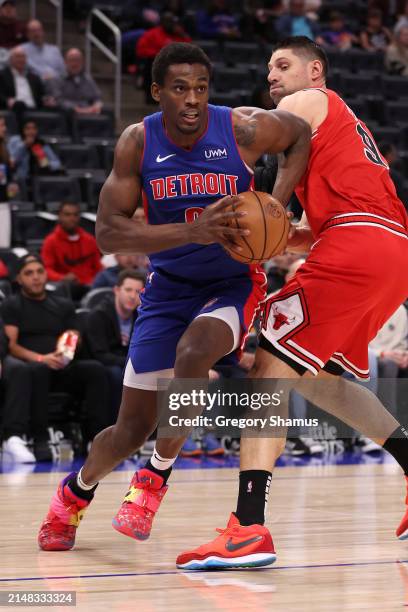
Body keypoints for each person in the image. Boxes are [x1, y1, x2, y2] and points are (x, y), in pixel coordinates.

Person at [37, 42, 311, 552]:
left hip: (232, 282)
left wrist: (278, 200)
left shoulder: (241, 128)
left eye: (201, 89)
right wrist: (193, 231)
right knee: (128, 431)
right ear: (157, 91)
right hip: (167, 289)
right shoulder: (138, 143)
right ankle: (75, 493)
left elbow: (299, 135)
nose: (192, 100)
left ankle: (156, 477)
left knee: (194, 352)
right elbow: (110, 235)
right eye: (180, 89)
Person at [177, 36, 408, 570]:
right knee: (316, 376)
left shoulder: (308, 102)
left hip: (356, 245)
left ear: (316, 71)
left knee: (268, 371)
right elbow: (308, 228)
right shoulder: (344, 130)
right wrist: (276, 234)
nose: (272, 75)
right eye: (268, 67)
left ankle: (248, 527)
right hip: (388, 249)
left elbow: (253, 126)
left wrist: (194, 121)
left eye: (283, 65)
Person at [1, 253, 110, 462]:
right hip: (32, 367)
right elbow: (11, 345)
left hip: (62, 364)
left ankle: (95, 438)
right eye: (29, 273)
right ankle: (40, 439)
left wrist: (65, 353)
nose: (36, 277)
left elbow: (74, 334)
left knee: (95, 369)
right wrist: (42, 358)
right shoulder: (12, 305)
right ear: (19, 279)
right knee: (37, 369)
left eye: (40, 272)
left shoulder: (64, 304)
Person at [86, 269, 145, 420]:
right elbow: (99, 353)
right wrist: (131, 364)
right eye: (128, 290)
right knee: (116, 374)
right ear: (116, 290)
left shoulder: (142, 316)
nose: (132, 296)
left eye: (138, 291)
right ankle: (116, 429)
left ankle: (154, 433)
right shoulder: (98, 315)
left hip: (127, 363)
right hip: (105, 364)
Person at [41, 201, 102, 299]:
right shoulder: (50, 241)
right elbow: (46, 269)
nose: (72, 218)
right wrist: (62, 278)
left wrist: (98, 280)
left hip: (90, 287)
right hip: (65, 289)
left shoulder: (90, 240)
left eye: (75, 215)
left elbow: (98, 267)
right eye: (67, 215)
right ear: (60, 216)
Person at [0, 46, 49, 125]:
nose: (21, 59)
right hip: (15, 108)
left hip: (34, 108)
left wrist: (47, 100)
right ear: (11, 59)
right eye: (18, 57)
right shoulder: (2, 75)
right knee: (19, 104)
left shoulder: (34, 77)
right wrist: (7, 101)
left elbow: (42, 95)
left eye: (23, 57)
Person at [50, 48, 103, 115]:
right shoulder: (57, 79)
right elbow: (58, 100)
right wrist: (77, 109)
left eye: (77, 60)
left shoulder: (87, 79)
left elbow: (97, 97)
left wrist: (97, 106)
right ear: (65, 62)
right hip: (67, 114)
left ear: (82, 62)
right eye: (72, 60)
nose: (75, 64)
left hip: (88, 114)